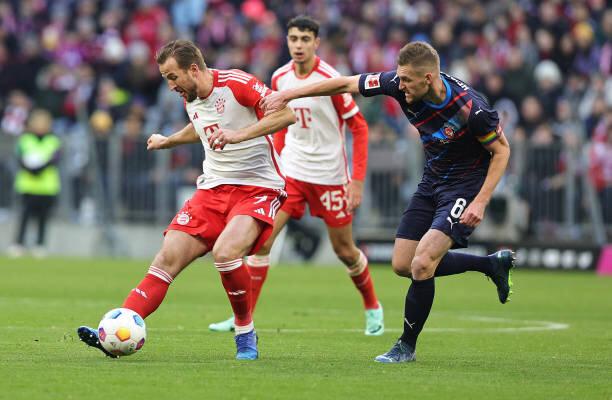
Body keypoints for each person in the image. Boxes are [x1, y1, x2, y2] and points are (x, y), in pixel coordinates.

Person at [259, 41, 515, 363]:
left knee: (422, 264)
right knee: (403, 264)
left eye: (407, 80)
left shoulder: (472, 110)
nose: (400, 85)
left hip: (464, 188)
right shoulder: (398, 83)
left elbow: (502, 151)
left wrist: (480, 201)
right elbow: (345, 83)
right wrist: (288, 94)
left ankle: (406, 347)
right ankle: (490, 264)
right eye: (399, 78)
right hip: (431, 182)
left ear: (429, 78)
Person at [77, 39, 296, 361]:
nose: (169, 85)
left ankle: (245, 332)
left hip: (257, 188)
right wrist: (170, 141)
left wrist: (238, 135)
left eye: (172, 76)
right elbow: (201, 127)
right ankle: (117, 328)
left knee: (225, 253)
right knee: (166, 259)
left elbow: (286, 115)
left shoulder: (237, 83)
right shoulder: (189, 95)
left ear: (193, 69)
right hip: (211, 190)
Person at [208, 16, 384, 336]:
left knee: (344, 250)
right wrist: (273, 163)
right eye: (293, 39)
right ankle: (242, 318)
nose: (298, 45)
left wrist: (356, 180)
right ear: (286, 42)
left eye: (305, 39)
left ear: (317, 43)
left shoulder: (331, 79)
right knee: (262, 242)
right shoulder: (279, 76)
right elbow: (278, 123)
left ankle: (372, 306)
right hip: (292, 172)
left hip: (330, 175)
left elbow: (358, 126)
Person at [7, 109, 61, 259]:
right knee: (24, 216)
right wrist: (31, 169)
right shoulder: (25, 140)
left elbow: (55, 159)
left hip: (47, 187)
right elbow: (19, 158)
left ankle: (40, 244)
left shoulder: (53, 141)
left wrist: (39, 168)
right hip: (27, 186)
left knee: (43, 217)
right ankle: (19, 244)